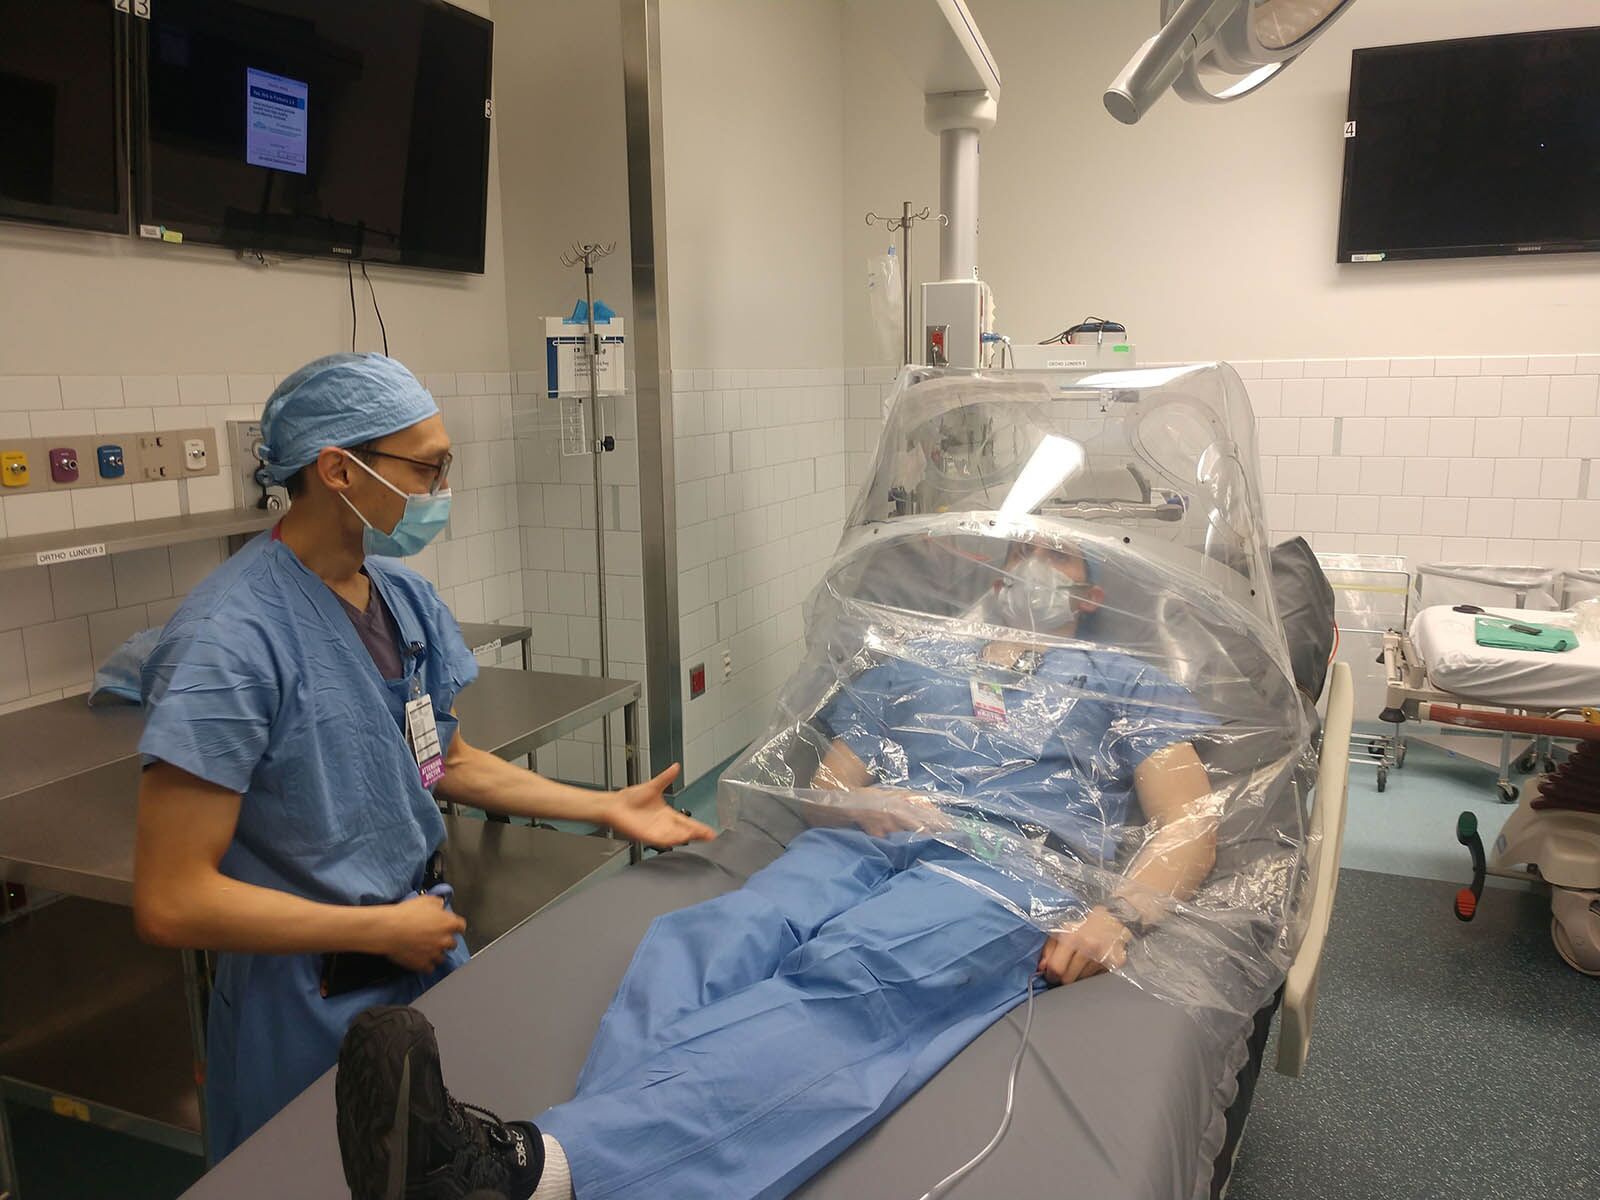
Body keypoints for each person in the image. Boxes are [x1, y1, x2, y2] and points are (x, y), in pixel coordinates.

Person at [332, 539, 1221, 1200]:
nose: (1028, 565)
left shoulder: (1117, 678)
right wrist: (861, 804)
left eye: (1053, 557)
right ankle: (610, 1161)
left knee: (854, 975)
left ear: (1090, 592)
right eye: (1017, 550)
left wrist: (1122, 915)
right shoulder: (924, 657)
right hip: (872, 837)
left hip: (1007, 865)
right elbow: (832, 782)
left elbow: (1188, 820)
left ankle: (535, 1170)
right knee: (709, 939)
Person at [132, 353, 713, 1159]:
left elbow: (448, 763)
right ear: (338, 469)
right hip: (309, 994)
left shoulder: (399, 601)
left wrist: (604, 806)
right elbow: (171, 899)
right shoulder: (230, 640)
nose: (440, 491)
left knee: (440, 1161)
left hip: (417, 948)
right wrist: (372, 929)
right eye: (428, 467)